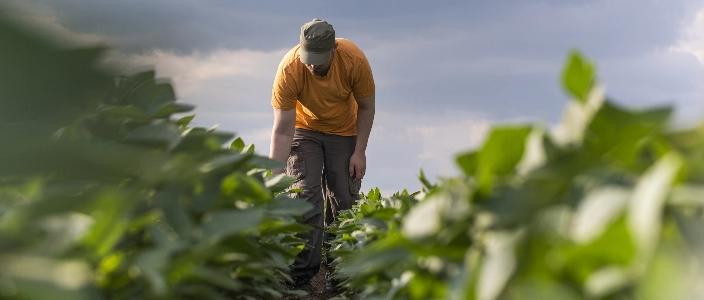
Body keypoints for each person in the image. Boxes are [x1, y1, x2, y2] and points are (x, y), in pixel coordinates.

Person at [269, 18, 375, 293]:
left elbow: (366, 107)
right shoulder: (290, 68)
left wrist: (359, 151)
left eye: (318, 59)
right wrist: (275, 175)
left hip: (344, 130)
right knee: (305, 195)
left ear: (333, 50)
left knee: (343, 198)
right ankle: (302, 276)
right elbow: (282, 129)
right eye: (308, 58)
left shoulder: (354, 59)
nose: (312, 65)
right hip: (304, 130)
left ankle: (339, 276)